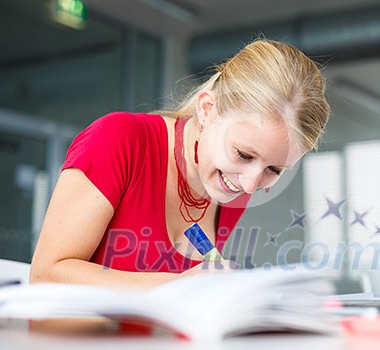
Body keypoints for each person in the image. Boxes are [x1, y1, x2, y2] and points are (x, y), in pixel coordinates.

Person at [30, 39, 330, 290]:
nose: (250, 185)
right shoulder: (117, 140)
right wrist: (177, 287)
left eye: (274, 170)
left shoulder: (232, 184)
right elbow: (46, 275)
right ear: (206, 109)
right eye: (243, 154)